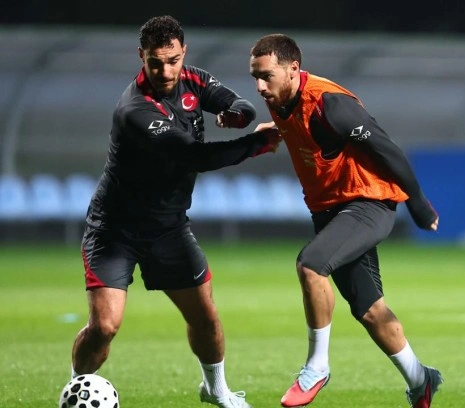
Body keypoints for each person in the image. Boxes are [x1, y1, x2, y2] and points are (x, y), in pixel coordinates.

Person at [70, 15, 281, 408]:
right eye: (155, 63)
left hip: (168, 229)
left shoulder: (194, 79)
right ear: (141, 56)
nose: (165, 71)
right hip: (114, 231)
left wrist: (238, 116)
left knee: (206, 318)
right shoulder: (135, 110)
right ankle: (77, 389)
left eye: (173, 61)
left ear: (183, 52)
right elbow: (194, 156)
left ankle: (216, 390)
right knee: (104, 327)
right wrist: (257, 143)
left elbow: (239, 104)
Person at [248, 34, 443, 408]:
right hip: (329, 210)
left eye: (266, 76)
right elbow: (303, 130)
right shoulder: (279, 98)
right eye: (255, 77)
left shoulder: (331, 104)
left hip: (368, 202)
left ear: (293, 69)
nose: (259, 86)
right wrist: (275, 131)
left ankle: (317, 366)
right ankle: (421, 379)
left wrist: (418, 203)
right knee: (370, 311)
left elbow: (385, 148)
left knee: (311, 265)